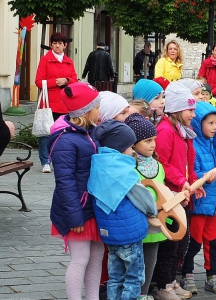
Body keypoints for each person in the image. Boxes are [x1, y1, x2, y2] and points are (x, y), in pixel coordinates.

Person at [89, 120, 157, 300]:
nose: (132, 150)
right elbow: (142, 198)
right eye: (129, 146)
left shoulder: (99, 164)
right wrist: (153, 210)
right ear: (120, 147)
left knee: (115, 276)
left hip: (109, 233)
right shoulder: (123, 170)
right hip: (129, 234)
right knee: (134, 277)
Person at [48, 82, 103, 300]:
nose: (100, 111)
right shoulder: (66, 140)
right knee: (80, 259)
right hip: (77, 210)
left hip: (93, 207)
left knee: (97, 257)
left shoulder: (89, 133)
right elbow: (65, 182)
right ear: (86, 111)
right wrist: (74, 217)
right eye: (97, 107)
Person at [152, 82, 205, 300]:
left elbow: (187, 162)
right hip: (171, 196)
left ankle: (172, 281)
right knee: (170, 244)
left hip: (183, 195)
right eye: (190, 110)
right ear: (177, 110)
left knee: (181, 242)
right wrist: (182, 180)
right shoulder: (165, 130)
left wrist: (193, 183)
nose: (194, 114)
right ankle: (163, 285)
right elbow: (162, 162)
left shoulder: (183, 131)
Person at [180, 102, 216, 295]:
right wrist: (204, 176)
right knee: (194, 242)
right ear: (198, 123)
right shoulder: (192, 146)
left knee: (213, 243)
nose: (214, 127)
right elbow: (192, 172)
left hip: (215, 205)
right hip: (199, 205)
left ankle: (212, 275)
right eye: (209, 123)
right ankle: (187, 274)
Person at [124, 113, 174, 300]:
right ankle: (133, 294)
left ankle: (143, 294)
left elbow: (162, 191)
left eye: (154, 140)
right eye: (147, 141)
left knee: (150, 261)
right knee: (134, 264)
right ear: (134, 143)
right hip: (137, 223)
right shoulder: (129, 166)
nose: (153, 144)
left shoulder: (158, 166)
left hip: (157, 223)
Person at [35, 32, 78, 173]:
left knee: (64, 134)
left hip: (65, 104)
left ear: (65, 45)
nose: (57, 45)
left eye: (60, 43)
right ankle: (46, 161)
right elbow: (38, 81)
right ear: (51, 45)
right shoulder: (45, 60)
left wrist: (66, 80)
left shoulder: (69, 61)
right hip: (49, 103)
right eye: (54, 43)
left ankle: (62, 160)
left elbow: (74, 80)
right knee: (46, 134)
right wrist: (55, 82)